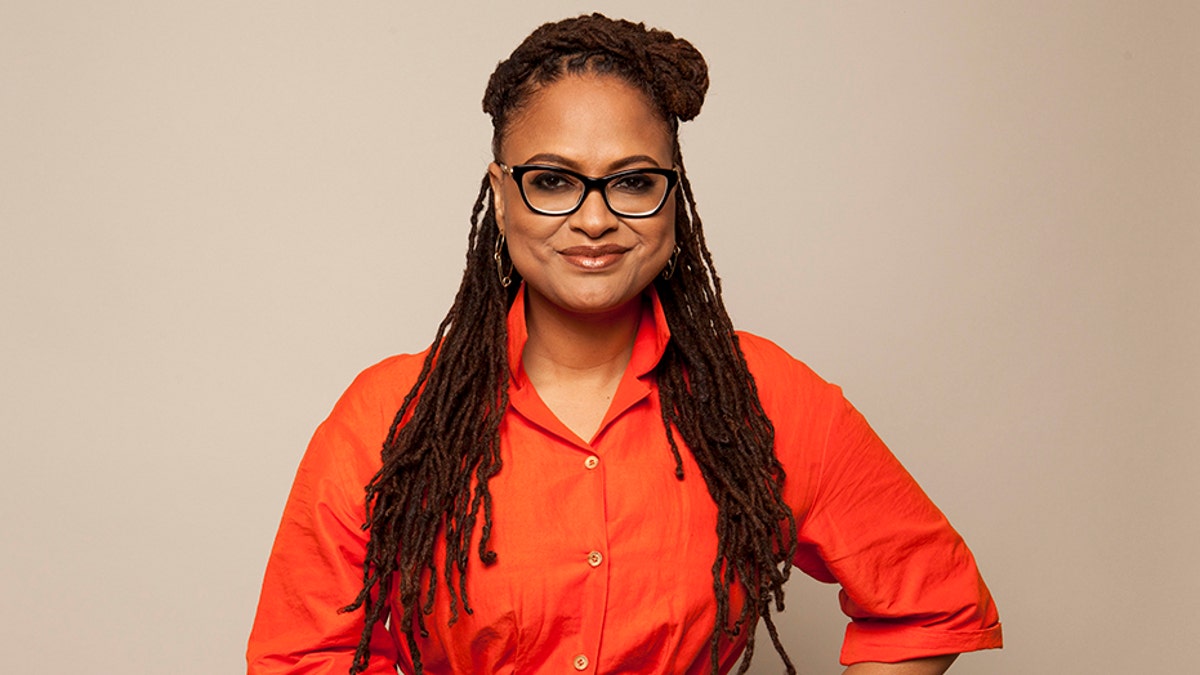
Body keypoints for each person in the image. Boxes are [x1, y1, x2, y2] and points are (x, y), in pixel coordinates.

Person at [247, 13, 1002, 675]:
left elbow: (930, 598)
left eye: (633, 182)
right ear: (501, 194)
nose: (595, 219)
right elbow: (301, 655)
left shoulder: (765, 398)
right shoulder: (388, 417)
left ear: (674, 194)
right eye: (552, 179)